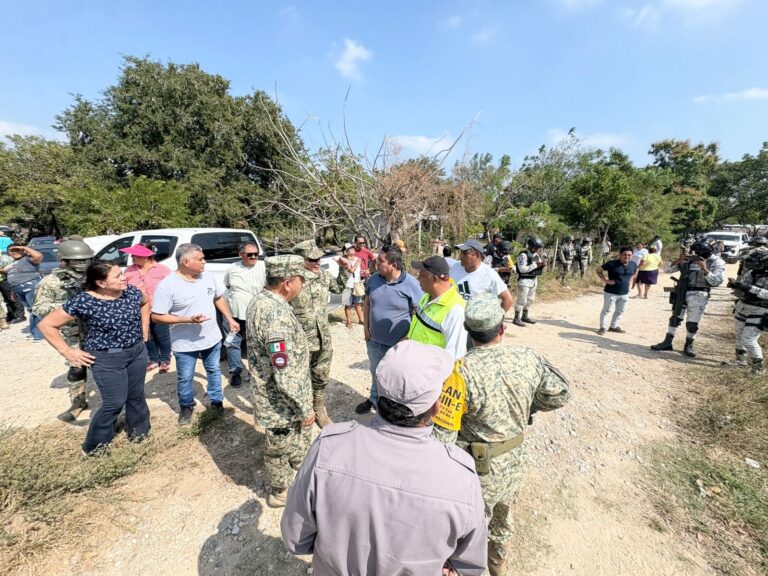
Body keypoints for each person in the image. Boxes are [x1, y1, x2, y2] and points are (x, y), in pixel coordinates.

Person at [281, 340, 488, 575]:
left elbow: (296, 538)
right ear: (436, 407)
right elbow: (469, 566)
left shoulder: (328, 448)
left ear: (379, 392)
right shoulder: (461, 477)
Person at [431, 293, 571, 575]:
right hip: (516, 460)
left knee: (469, 526)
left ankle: (468, 567)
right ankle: (498, 565)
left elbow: (443, 438)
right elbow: (559, 395)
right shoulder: (528, 358)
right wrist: (527, 406)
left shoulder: (459, 373)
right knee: (503, 518)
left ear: (468, 332)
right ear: (503, 328)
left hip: (477, 470)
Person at [38, 261, 151, 455]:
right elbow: (46, 325)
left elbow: (145, 302)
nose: (123, 277)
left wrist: (144, 328)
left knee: (136, 396)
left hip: (136, 352)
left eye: (122, 273)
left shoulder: (130, 292)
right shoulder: (84, 301)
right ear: (101, 283)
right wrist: (67, 351)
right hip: (107, 357)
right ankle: (95, 446)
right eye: (117, 276)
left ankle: (140, 432)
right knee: (114, 402)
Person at [246, 255, 314, 508]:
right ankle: (279, 491)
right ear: (287, 283)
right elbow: (283, 371)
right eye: (300, 280)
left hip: (281, 397)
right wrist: (305, 408)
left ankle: (297, 466)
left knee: (290, 441)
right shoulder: (275, 316)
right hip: (280, 401)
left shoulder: (263, 300)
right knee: (279, 444)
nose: (303, 285)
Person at [151, 243, 240, 424]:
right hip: (185, 343)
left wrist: (229, 318)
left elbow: (217, 298)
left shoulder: (207, 277)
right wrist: (187, 320)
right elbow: (156, 316)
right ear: (186, 261)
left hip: (212, 338)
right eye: (200, 259)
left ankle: (216, 402)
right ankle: (186, 406)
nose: (204, 262)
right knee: (185, 376)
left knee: (214, 370)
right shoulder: (168, 286)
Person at [32, 240, 95, 422]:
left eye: (86, 259)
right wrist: (70, 308)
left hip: (98, 330)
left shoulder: (95, 276)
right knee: (76, 368)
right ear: (65, 261)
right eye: (77, 260)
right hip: (72, 332)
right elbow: (39, 307)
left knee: (106, 367)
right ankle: (78, 402)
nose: (83, 263)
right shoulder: (51, 282)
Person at [356, 245, 422, 414]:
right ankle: (373, 399)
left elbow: (419, 315)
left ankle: (392, 407)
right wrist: (366, 329)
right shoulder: (373, 279)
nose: (376, 263)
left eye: (380, 261)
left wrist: (407, 338)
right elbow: (368, 303)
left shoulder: (411, 284)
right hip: (374, 340)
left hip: (398, 344)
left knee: (395, 377)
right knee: (375, 371)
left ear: (393, 264)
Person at [290, 240, 348, 428]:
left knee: (321, 375)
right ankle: (303, 410)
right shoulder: (292, 280)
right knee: (299, 377)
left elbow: (338, 289)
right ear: (300, 260)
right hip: (300, 340)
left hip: (323, 337)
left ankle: (319, 409)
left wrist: (344, 271)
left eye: (319, 258)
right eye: (312, 259)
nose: (317, 262)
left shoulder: (323, 276)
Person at [651, 238, 725, 357]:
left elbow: (717, 281)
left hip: (699, 294)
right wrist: (679, 261)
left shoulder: (717, 262)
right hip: (682, 292)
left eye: (701, 251)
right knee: (675, 318)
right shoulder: (689, 259)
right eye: (697, 251)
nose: (698, 254)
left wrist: (704, 269)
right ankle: (667, 342)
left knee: (692, 322)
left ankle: (689, 344)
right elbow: (667, 269)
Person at [221, 241, 266, 388]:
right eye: (250, 254)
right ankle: (235, 372)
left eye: (256, 254)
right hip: (234, 315)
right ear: (241, 255)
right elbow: (227, 285)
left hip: (257, 314)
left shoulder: (264, 267)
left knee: (257, 344)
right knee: (232, 342)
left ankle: (258, 372)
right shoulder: (232, 268)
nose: (253, 257)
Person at [121, 243, 172, 372]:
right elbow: (123, 286)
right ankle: (154, 359)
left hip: (158, 308)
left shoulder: (162, 269)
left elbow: (173, 286)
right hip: (139, 309)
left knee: (162, 334)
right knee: (146, 335)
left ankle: (165, 358)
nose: (132, 257)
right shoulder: (129, 270)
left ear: (145, 257)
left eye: (135, 255)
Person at [408, 255, 467, 360]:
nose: (418, 278)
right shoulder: (426, 296)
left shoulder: (455, 310)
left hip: (430, 372)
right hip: (415, 363)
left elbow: (454, 356)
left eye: (422, 276)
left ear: (434, 279)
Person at [723, 250, 768, 375]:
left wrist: (750, 288)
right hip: (744, 306)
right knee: (739, 334)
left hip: (761, 310)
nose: (753, 267)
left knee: (748, 339)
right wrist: (735, 285)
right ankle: (740, 360)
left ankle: (759, 367)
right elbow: (744, 286)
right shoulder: (752, 272)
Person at [450, 239, 514, 312]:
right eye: (461, 252)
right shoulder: (455, 267)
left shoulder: (489, 274)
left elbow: (508, 300)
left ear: (477, 256)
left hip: (472, 322)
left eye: (465, 253)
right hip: (454, 319)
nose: (461, 255)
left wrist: (495, 321)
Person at [2, 244, 44, 340]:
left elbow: (39, 256)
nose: (13, 252)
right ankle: (34, 332)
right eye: (11, 251)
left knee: (36, 310)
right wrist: (13, 291)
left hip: (30, 287)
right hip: (18, 289)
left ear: (22, 250)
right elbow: (9, 274)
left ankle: (39, 334)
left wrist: (24, 248)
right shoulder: (13, 263)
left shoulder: (28, 259)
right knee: (31, 311)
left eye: (16, 250)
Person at [596, 246, 638, 335]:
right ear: (620, 255)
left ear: (632, 256)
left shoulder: (633, 264)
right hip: (611, 292)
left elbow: (635, 272)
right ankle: (602, 327)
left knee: (620, 311)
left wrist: (630, 279)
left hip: (624, 293)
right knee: (606, 310)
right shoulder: (612, 264)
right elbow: (598, 270)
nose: (627, 257)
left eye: (629, 255)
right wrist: (605, 280)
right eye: (625, 255)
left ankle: (613, 326)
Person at [513, 236, 546, 327]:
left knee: (531, 300)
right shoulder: (523, 255)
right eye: (536, 248)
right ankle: (516, 318)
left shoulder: (536, 256)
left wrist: (543, 265)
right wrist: (536, 265)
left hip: (533, 280)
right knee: (522, 300)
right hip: (524, 281)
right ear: (532, 246)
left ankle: (525, 316)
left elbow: (538, 267)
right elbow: (522, 269)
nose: (537, 250)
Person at [341, 243, 364, 328]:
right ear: (346, 251)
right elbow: (351, 270)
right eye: (350, 249)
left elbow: (357, 272)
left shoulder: (357, 259)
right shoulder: (344, 260)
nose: (352, 249)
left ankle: (361, 320)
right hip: (348, 285)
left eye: (352, 248)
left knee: (358, 303)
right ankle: (349, 321)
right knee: (348, 304)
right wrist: (358, 262)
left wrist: (363, 272)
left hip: (356, 284)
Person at [0, 250, 25, 324]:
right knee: (6, 299)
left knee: (13, 298)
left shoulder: (4, 258)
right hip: (1, 280)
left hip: (6, 280)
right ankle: (11, 314)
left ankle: (20, 315)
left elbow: (10, 270)